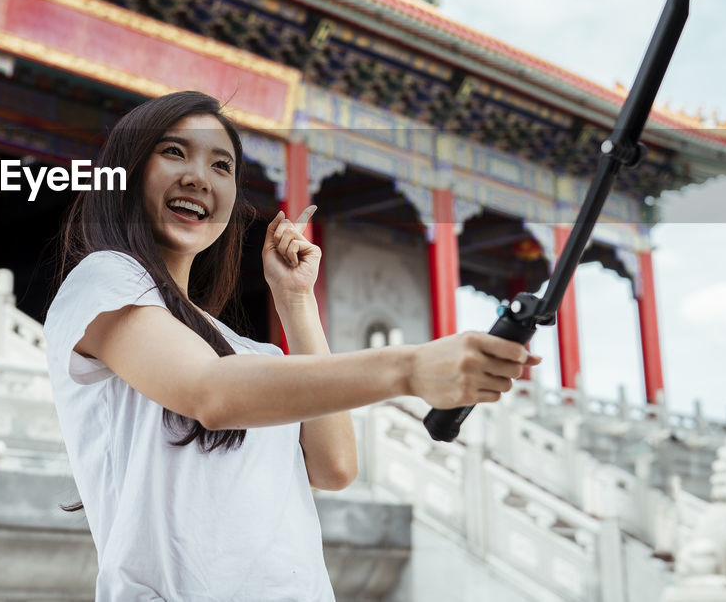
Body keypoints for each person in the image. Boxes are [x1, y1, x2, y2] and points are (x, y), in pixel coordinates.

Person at [43, 91, 539, 601]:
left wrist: (297, 302)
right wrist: (408, 368)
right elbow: (210, 393)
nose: (199, 176)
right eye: (174, 152)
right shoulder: (103, 281)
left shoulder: (248, 354)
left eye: (222, 165)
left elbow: (334, 466)